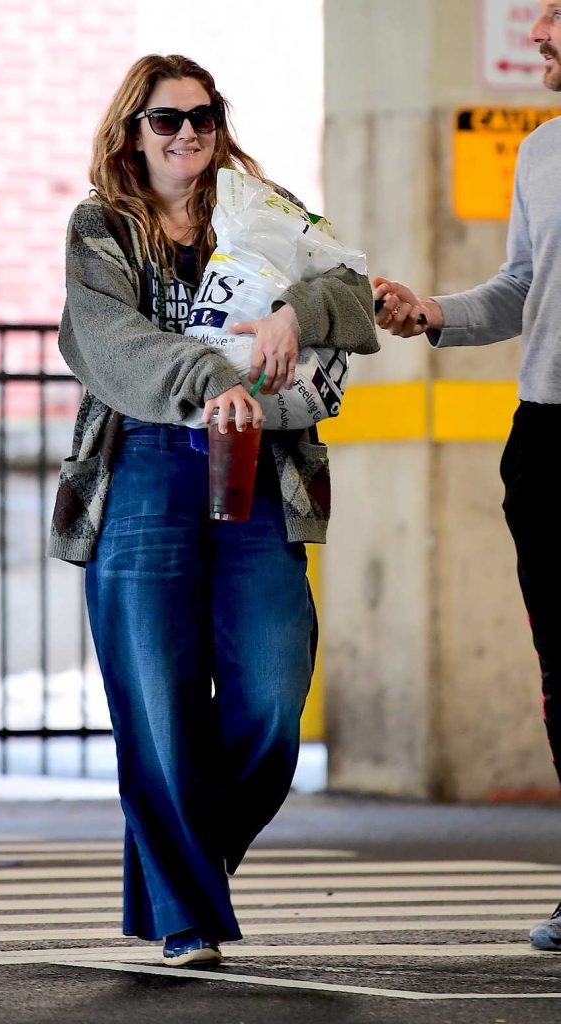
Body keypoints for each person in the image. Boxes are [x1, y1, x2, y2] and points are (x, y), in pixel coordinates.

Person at [49, 53, 378, 966]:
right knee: (156, 700)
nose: (187, 132)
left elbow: (352, 290)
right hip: (144, 461)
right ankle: (187, 914)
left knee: (272, 697)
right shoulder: (101, 228)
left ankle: (181, 871)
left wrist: (297, 314)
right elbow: (105, 340)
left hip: (260, 464)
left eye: (202, 114)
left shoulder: (261, 206)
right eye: (166, 119)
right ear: (131, 131)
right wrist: (204, 381)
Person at [372, 0, 561, 958]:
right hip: (551, 438)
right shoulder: (540, 151)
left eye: (554, 15)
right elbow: (521, 288)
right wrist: (434, 308)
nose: (535, 35)